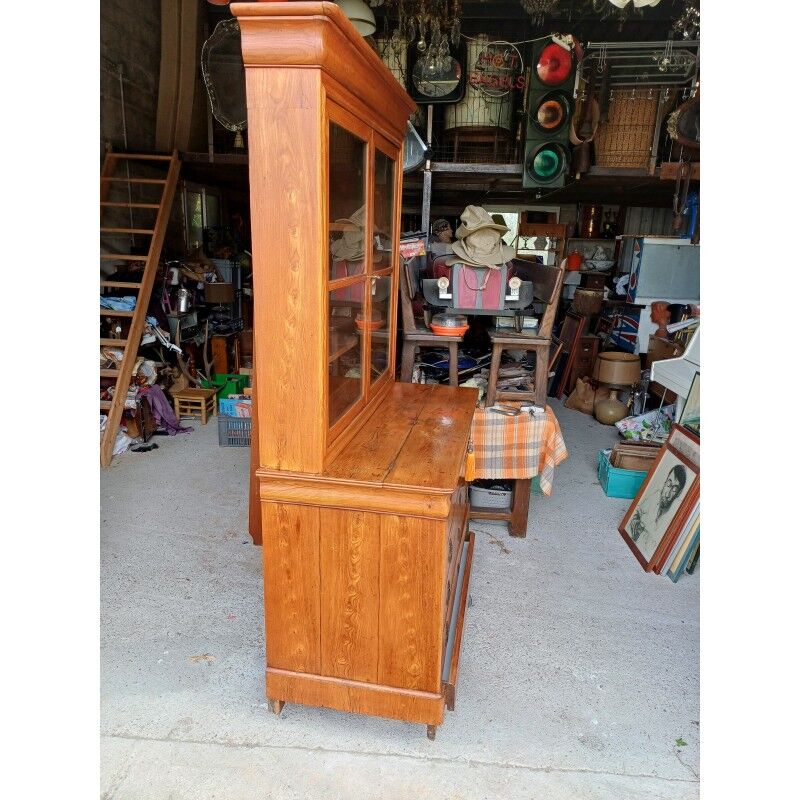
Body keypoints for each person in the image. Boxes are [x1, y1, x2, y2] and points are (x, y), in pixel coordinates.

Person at [628, 464, 688, 558]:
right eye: (668, 485)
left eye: (674, 489)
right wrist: (636, 524)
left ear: (678, 493)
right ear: (665, 483)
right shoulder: (655, 497)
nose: (667, 494)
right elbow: (636, 513)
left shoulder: (675, 514)